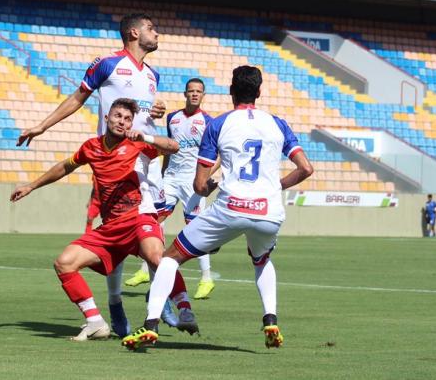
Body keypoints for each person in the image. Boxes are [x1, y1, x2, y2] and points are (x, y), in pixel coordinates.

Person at [122, 66, 314, 351]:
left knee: (170, 258)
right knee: (261, 260)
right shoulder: (278, 124)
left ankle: (150, 324)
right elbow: (306, 169)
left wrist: (209, 186)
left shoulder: (219, 124)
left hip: (230, 207)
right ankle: (270, 319)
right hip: (268, 211)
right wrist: (275, 187)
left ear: (231, 91)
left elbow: (200, 185)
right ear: (259, 92)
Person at [16, 12, 168, 338]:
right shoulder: (107, 64)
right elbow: (78, 97)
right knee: (118, 234)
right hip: (114, 162)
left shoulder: (153, 75)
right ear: (133, 32)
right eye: (151, 28)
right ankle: (116, 303)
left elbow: (144, 118)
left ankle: (161, 305)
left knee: (152, 240)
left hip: (147, 162)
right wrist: (42, 126)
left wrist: (156, 111)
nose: (157, 33)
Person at [11, 99, 197, 341]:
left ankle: (185, 309)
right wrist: (31, 186)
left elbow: (174, 146)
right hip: (110, 227)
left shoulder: (137, 144)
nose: (122, 122)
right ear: (107, 118)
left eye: (127, 119)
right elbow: (65, 167)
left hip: (139, 216)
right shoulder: (91, 147)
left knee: (157, 258)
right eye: (118, 116)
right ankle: (95, 322)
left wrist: (147, 137)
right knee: (64, 263)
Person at [125, 78, 220, 300]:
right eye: (191, 91)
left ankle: (206, 278)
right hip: (170, 178)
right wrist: (163, 173)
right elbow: (168, 148)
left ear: (203, 95)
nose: (194, 94)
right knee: (154, 218)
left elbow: (217, 155)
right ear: (185, 94)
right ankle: (145, 269)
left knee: (196, 227)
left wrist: (205, 176)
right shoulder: (173, 118)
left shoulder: (208, 122)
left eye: (198, 91)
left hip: (192, 181)